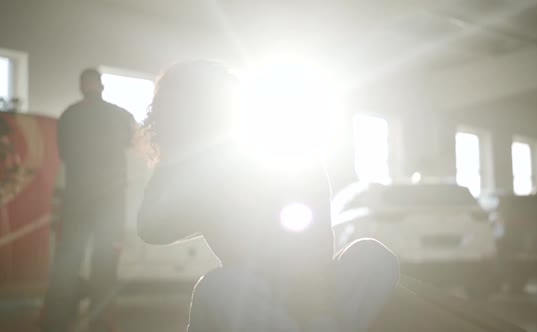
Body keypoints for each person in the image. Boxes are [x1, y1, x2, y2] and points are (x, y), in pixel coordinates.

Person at [137, 60, 399, 332]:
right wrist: (172, 156)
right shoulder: (205, 176)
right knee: (222, 287)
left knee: (371, 255)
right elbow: (150, 228)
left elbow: (315, 239)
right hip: (263, 299)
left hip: (310, 292)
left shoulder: (284, 151)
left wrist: (171, 152)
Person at [42, 68, 135, 332]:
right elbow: (130, 143)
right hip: (110, 201)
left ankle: (55, 323)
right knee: (105, 262)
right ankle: (100, 324)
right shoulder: (120, 115)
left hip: (78, 198)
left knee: (67, 261)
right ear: (101, 86)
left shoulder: (69, 116)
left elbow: (63, 153)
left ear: (82, 86)